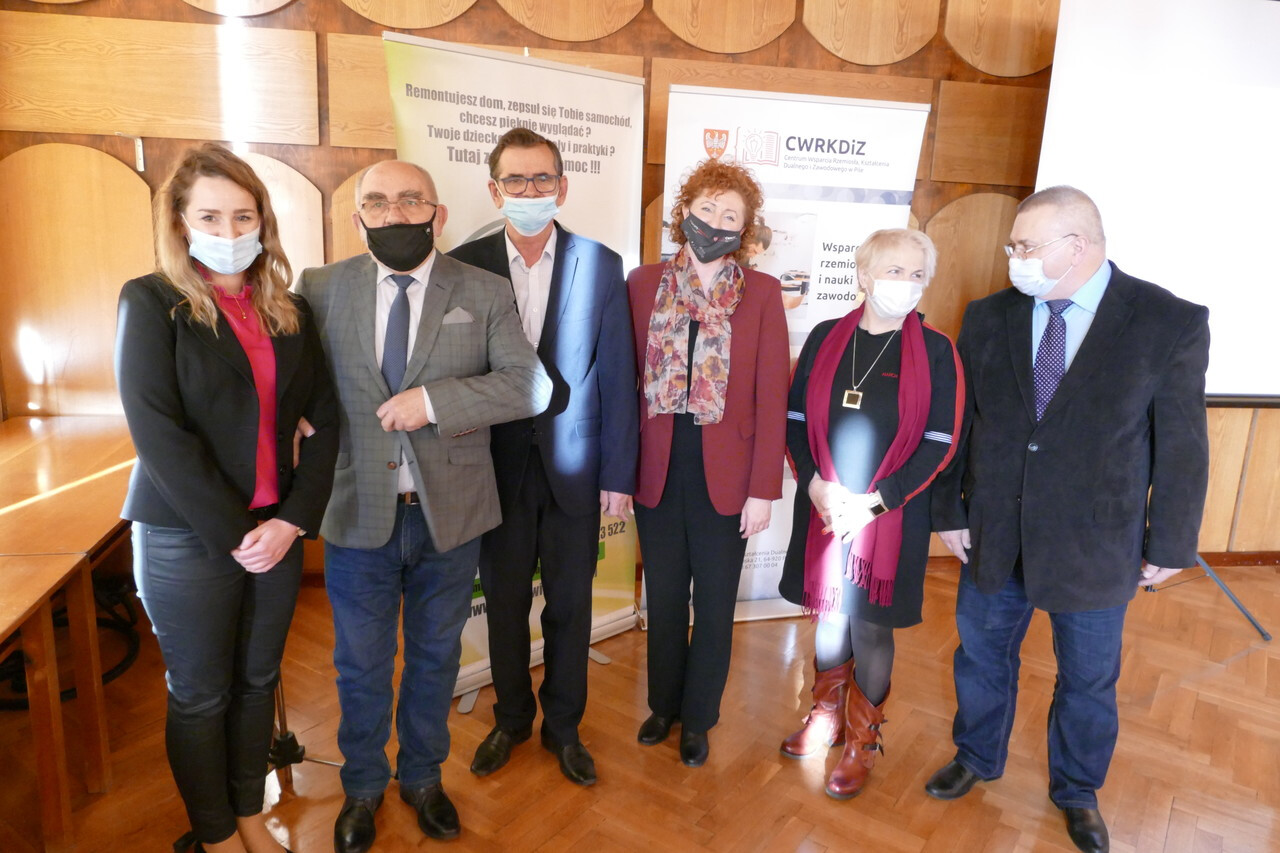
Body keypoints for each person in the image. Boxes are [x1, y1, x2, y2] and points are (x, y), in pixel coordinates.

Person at [925, 186, 1210, 853]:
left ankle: (1078, 790)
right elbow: (962, 420)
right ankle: (976, 755)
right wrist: (948, 508)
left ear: (1077, 246)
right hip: (994, 531)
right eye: (1013, 246)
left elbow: (1182, 443)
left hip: (1095, 543)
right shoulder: (989, 315)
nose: (1014, 258)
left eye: (1025, 246)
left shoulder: (1167, 321)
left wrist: (1170, 540)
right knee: (980, 656)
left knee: (1087, 679)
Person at [296, 160, 551, 852]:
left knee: (436, 657)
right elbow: (293, 379)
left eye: (411, 200)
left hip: (451, 514)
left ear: (437, 215)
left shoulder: (483, 289)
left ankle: (422, 777)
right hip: (357, 509)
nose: (395, 213)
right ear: (359, 219)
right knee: (361, 664)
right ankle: (362, 786)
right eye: (378, 203)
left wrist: (434, 402)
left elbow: (531, 386)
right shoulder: (319, 287)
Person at [115, 143, 338, 853]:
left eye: (244, 215)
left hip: (277, 529)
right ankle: (214, 835)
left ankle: (249, 813)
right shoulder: (151, 302)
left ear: (263, 222)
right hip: (187, 534)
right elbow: (158, 432)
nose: (229, 229)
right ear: (181, 221)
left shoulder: (290, 310)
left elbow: (326, 423)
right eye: (210, 215)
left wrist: (292, 521)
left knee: (257, 682)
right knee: (201, 692)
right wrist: (240, 532)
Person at [448, 128, 637, 787]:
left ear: (562, 186)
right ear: (495, 189)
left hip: (574, 472)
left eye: (542, 179)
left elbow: (617, 375)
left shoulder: (601, 263)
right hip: (492, 470)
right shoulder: (464, 264)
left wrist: (618, 472)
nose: (530, 191)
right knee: (502, 604)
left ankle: (564, 726)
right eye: (516, 180)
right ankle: (511, 719)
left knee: (570, 605)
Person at [778, 228, 962, 799]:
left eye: (916, 274)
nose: (906, 283)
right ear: (863, 275)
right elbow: (794, 419)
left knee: (870, 626)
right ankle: (825, 718)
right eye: (894, 271)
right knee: (831, 617)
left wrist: (876, 501)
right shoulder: (825, 337)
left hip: (890, 515)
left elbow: (940, 442)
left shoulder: (938, 351)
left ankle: (862, 739)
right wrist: (813, 483)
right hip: (826, 506)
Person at [627, 158, 789, 767]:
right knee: (665, 598)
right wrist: (618, 473)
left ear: (744, 230)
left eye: (730, 215)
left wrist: (763, 489)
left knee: (715, 605)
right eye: (706, 208)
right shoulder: (642, 284)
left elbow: (772, 397)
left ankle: (699, 718)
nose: (715, 222)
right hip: (658, 470)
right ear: (685, 211)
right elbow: (623, 384)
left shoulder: (762, 293)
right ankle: (662, 706)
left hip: (730, 479)